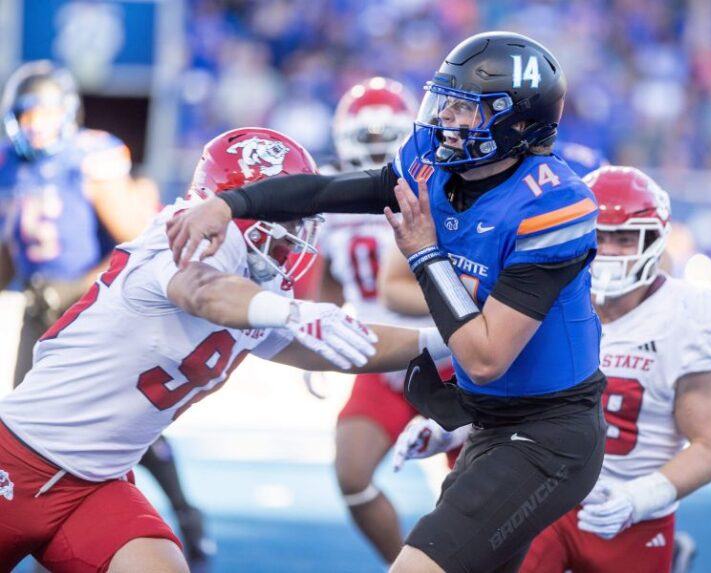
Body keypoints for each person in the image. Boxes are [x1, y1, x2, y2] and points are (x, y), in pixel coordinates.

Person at [166, 31, 607, 573]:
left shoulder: (552, 205)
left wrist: (424, 255)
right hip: (491, 422)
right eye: (445, 100)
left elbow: (484, 359)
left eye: (466, 109)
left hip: (549, 431)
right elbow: (328, 191)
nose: (447, 118)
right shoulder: (436, 165)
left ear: (517, 122)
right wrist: (231, 203)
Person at [0, 127, 448, 572]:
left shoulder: (258, 286)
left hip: (95, 485)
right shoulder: (182, 231)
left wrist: (445, 341)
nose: (294, 229)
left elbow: (334, 346)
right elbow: (203, 292)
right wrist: (290, 313)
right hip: (19, 457)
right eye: (286, 211)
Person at [393, 166, 711, 573]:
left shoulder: (686, 317)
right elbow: (516, 397)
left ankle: (671, 553)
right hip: (545, 490)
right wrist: (450, 426)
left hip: (631, 515)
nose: (606, 250)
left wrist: (641, 497)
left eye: (624, 238)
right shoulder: (535, 295)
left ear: (654, 241)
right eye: (598, 234)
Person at [0, 60, 213, 570]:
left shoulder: (89, 157)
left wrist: (77, 285)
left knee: (116, 418)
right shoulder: (12, 162)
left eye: (48, 113)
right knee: (34, 425)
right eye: (30, 115)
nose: (39, 125)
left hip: (92, 303)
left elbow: (140, 242)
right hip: (39, 304)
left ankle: (184, 513)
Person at [316, 76, 455, 564]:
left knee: (475, 495)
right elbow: (331, 277)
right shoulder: (330, 194)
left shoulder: (439, 184)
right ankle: (405, 563)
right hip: (379, 354)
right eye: (365, 140)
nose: (376, 152)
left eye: (385, 139)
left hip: (451, 355)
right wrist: (321, 328)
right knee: (352, 475)